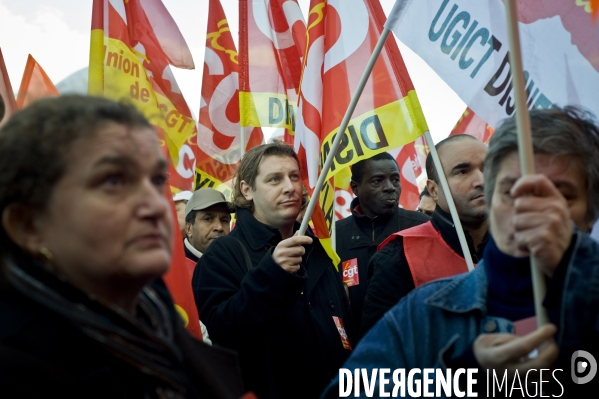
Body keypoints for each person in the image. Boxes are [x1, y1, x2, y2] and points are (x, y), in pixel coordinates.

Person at [322, 106, 599, 397]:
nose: (531, 208)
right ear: (491, 196)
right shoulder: (424, 312)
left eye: (562, 194)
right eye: (513, 189)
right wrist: (460, 378)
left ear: (590, 213)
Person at [0, 95, 244, 399]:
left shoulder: (155, 313)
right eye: (113, 180)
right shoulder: (16, 367)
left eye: (157, 180)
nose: (156, 205)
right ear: (28, 225)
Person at [193, 141, 355, 399]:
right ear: (247, 190)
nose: (290, 187)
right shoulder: (223, 254)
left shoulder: (317, 250)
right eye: (274, 180)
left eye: (294, 176)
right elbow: (221, 336)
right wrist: (271, 275)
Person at [360, 135, 489, 336]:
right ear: (433, 190)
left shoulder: (526, 243)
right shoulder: (398, 258)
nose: (481, 180)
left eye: (488, 167)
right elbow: (379, 356)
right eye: (463, 171)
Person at [334, 152, 429, 331]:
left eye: (395, 179)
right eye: (378, 181)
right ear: (355, 187)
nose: (390, 187)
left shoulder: (422, 228)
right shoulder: (334, 237)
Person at [183, 188, 233, 274]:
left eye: (224, 220)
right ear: (189, 228)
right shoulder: (169, 268)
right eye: (208, 219)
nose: (219, 227)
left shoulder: (237, 262)